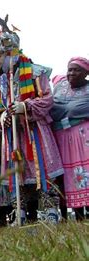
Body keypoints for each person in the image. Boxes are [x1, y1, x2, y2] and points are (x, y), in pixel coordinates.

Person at [0, 2, 64, 224]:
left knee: (42, 169)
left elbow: (47, 99)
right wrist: (2, 116)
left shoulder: (34, 72)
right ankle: (19, 213)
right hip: (12, 136)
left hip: (35, 131)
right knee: (17, 173)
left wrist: (26, 106)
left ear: (9, 53)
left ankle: (50, 210)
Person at [51, 57, 89, 221]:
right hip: (61, 137)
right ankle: (73, 214)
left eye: (76, 70)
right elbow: (51, 107)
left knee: (84, 173)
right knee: (64, 174)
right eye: (70, 69)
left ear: (86, 73)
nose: (71, 73)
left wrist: (69, 110)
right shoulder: (59, 86)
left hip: (82, 136)